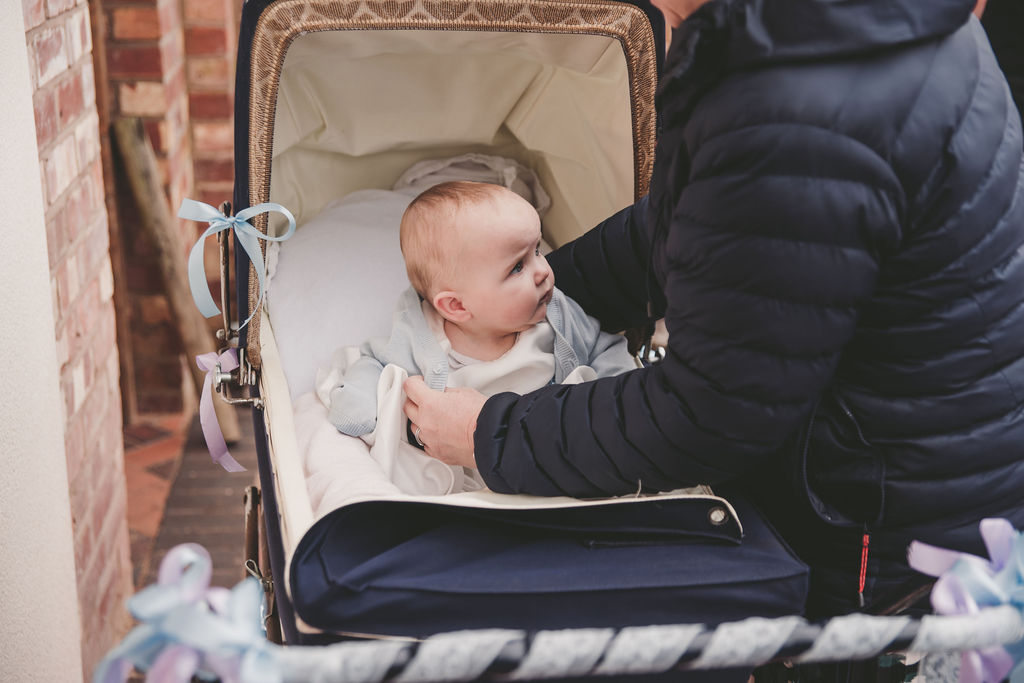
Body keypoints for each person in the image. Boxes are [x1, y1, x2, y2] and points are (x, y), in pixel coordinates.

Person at [403, 0, 1024, 619]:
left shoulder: (796, 113)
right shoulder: (820, 36)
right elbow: (710, 224)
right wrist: (538, 290)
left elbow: (712, 410)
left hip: (886, 536)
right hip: (936, 456)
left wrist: (490, 436)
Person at [328, 180, 637, 451]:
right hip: (456, 462)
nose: (543, 271)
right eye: (518, 267)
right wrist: (359, 404)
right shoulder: (421, 338)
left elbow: (603, 346)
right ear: (457, 307)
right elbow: (374, 361)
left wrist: (618, 399)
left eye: (538, 250)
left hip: (546, 447)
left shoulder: (557, 316)